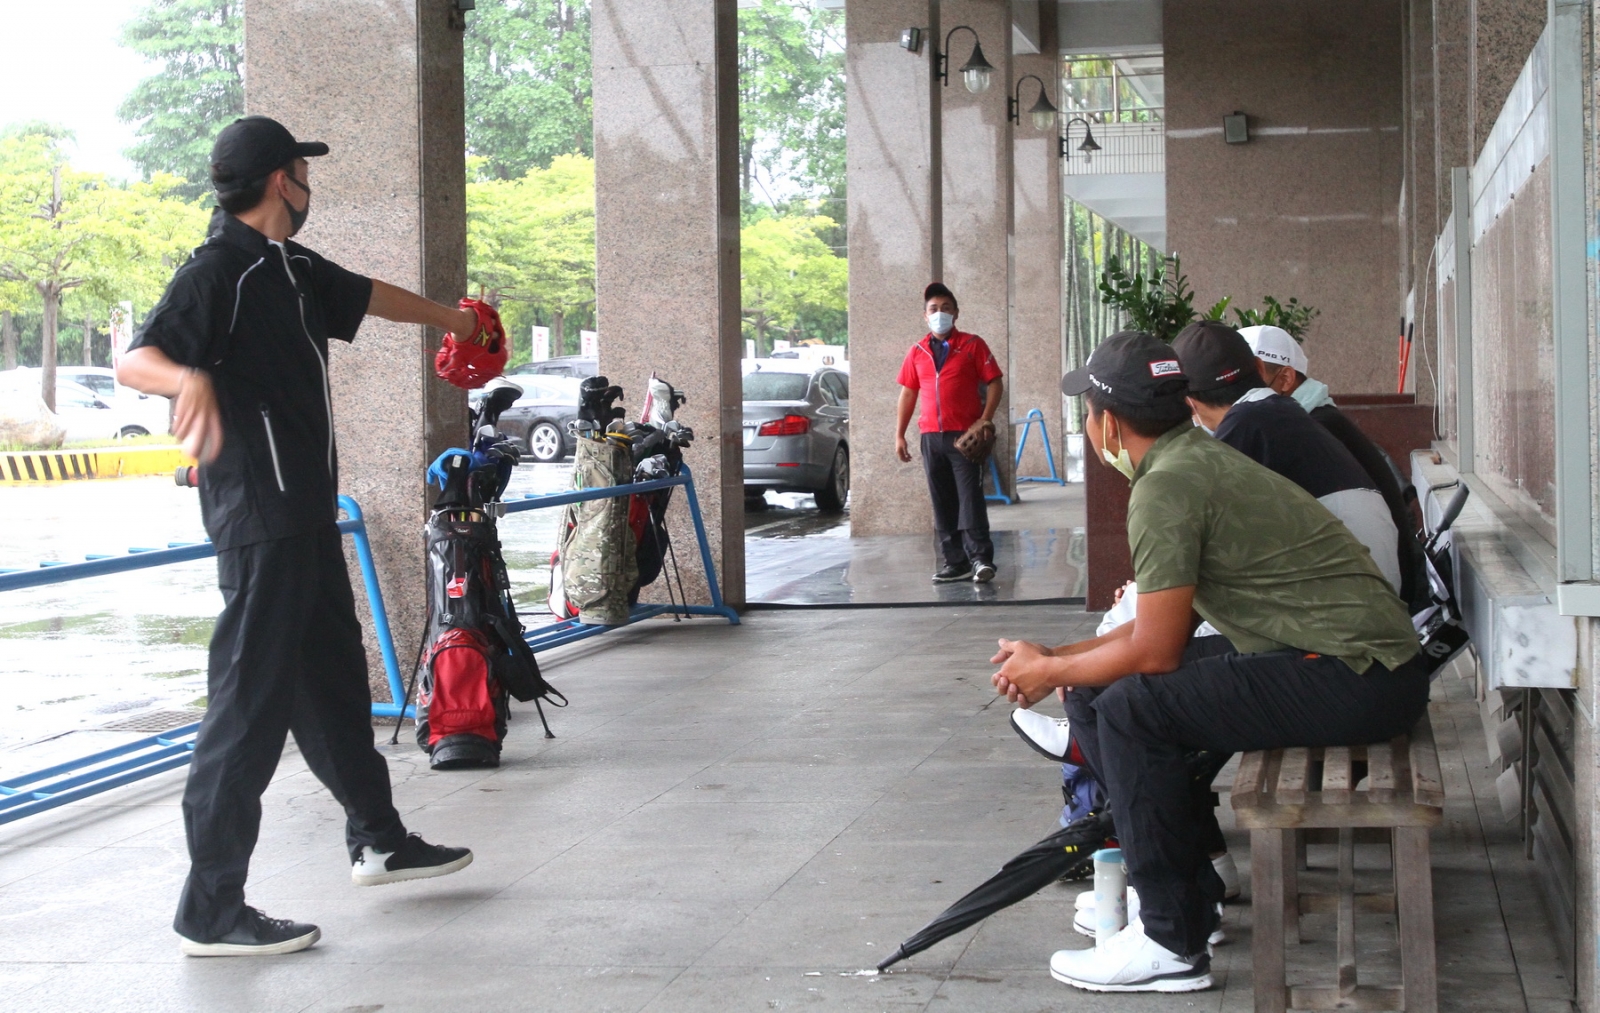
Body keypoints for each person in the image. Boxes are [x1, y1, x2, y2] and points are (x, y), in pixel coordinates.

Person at [118, 117, 481, 957]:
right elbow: (140, 360)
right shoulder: (218, 271)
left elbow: (370, 294)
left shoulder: (291, 267)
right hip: (261, 523)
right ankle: (210, 910)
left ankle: (381, 839)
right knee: (245, 716)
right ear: (284, 181)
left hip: (307, 516)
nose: (308, 183)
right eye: (302, 171)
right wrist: (188, 379)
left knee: (332, 688)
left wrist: (456, 323)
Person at [991, 331, 1424, 993]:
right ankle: (1194, 892)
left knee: (1134, 707)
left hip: (1358, 672)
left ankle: (1170, 937)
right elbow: (1165, 622)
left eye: (1088, 411)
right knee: (1100, 694)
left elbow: (1157, 651)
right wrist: (1060, 656)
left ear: (1107, 423)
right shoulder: (1190, 457)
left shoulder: (1167, 486)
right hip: (1349, 663)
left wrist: (1047, 673)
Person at [1173, 322, 1402, 591]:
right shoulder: (1285, 414)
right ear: (1258, 369)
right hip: (1372, 600)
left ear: (1189, 403)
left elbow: (1194, 553)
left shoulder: (1247, 425)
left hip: (1352, 612)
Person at [1241, 324, 1426, 608]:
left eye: (1247, 384)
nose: (1238, 398)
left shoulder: (1307, 432)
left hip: (1373, 606)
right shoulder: (1319, 419)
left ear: (1286, 378)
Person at [894, 282, 1004, 583]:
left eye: (945, 308)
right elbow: (908, 393)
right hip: (931, 436)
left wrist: (985, 419)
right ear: (925, 316)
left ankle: (981, 559)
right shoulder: (916, 351)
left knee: (970, 498)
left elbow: (995, 381)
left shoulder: (972, 345)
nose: (939, 313)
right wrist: (900, 434)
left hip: (963, 435)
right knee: (942, 501)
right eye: (933, 309)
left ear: (956, 313)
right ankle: (954, 562)